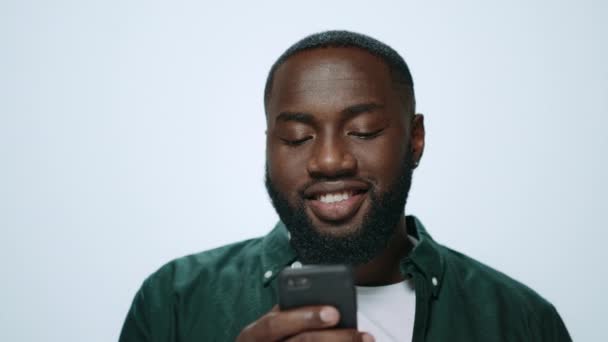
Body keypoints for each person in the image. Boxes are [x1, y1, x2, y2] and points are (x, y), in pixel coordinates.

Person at [119, 30, 571, 342]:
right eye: (297, 137)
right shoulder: (174, 302)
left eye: (364, 130)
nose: (329, 160)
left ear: (415, 139)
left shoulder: (521, 321)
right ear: (268, 147)